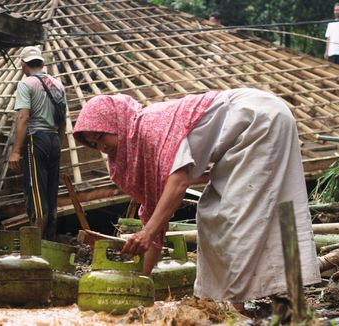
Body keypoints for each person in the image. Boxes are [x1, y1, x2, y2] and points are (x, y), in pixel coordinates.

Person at [73, 88, 321, 308]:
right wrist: (140, 283)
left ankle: (239, 302)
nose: (100, 146)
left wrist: (147, 232)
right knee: (252, 209)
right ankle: (280, 292)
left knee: (230, 212)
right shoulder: (140, 142)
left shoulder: (148, 127)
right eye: (93, 143)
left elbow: (179, 182)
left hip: (259, 119)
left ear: (115, 123)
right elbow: (156, 221)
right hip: (258, 122)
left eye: (101, 136)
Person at [8, 46, 67, 241]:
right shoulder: (58, 85)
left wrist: (16, 151)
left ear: (23, 65)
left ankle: (35, 244)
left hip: (37, 139)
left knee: (36, 191)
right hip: (54, 139)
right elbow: (63, 121)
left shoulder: (26, 84)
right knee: (51, 191)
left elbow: (23, 117)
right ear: (42, 63)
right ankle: (49, 241)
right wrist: (60, 143)